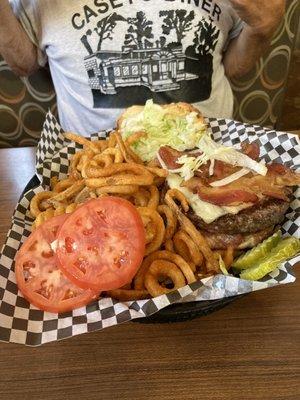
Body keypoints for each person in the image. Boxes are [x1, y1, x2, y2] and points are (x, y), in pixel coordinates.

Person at [0, 0, 286, 135]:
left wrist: (262, 28)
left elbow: (233, 68)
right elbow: (25, 63)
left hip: (211, 151)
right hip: (87, 164)